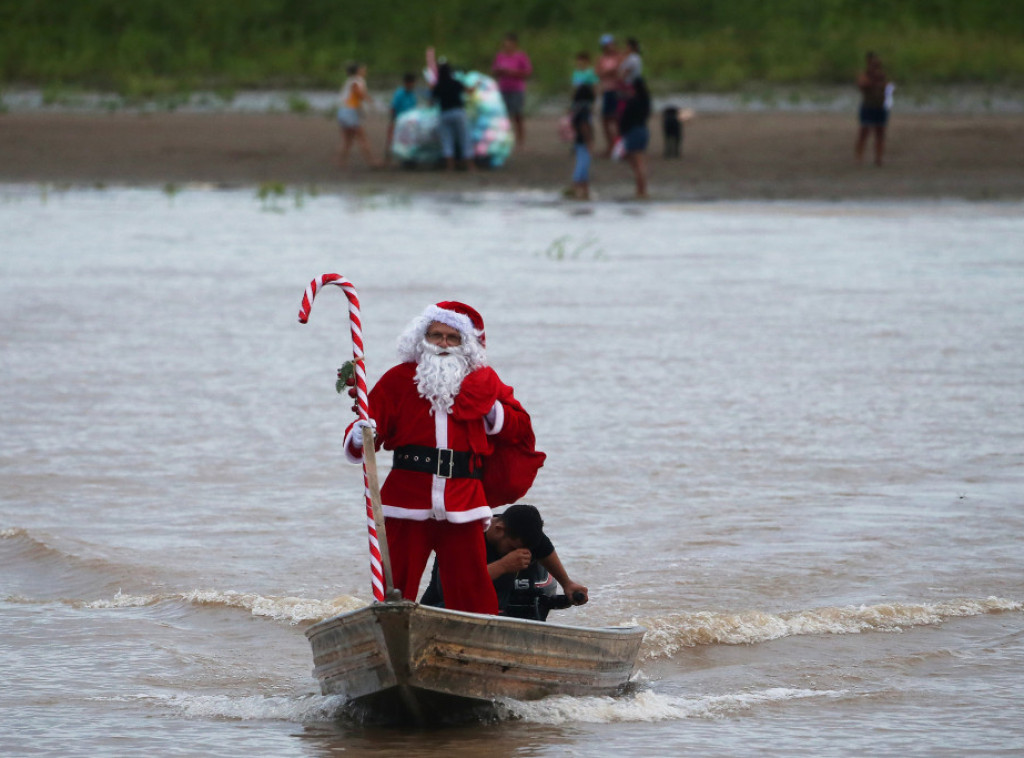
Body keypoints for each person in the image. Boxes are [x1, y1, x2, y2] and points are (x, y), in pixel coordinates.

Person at [344, 302, 545, 615]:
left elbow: (520, 429)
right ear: (421, 339)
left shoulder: (485, 382)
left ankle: (476, 639)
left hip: (462, 500)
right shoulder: (398, 380)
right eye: (436, 335)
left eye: (453, 337)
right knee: (394, 585)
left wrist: (491, 411)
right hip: (407, 498)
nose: (443, 343)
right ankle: (390, 635)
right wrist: (359, 434)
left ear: (466, 343)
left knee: (472, 589)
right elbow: (371, 434)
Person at [420, 503, 589, 613]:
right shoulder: (464, 536)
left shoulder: (521, 534)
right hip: (443, 608)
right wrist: (503, 565)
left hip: (492, 612)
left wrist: (567, 583)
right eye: (512, 548)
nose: (516, 553)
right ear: (499, 529)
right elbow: (455, 585)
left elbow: (545, 551)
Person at [335, 62, 381, 168]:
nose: (364, 71)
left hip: (343, 112)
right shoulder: (357, 81)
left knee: (348, 141)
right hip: (349, 113)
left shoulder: (349, 81)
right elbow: (359, 94)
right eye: (362, 69)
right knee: (362, 138)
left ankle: (341, 162)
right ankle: (372, 162)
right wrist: (371, 101)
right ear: (357, 71)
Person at [431, 62, 475, 171]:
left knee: (447, 140)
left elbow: (431, 101)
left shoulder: (438, 85)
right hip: (458, 112)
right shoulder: (456, 83)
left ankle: (450, 166)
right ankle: (469, 165)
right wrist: (476, 86)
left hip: (444, 114)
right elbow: (468, 91)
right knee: (464, 138)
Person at [492, 32, 533, 146]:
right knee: (504, 115)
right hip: (503, 88)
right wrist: (500, 71)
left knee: (518, 114)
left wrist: (512, 72)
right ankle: (505, 138)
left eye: (509, 44)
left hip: (517, 88)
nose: (507, 46)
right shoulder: (500, 56)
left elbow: (528, 72)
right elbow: (494, 70)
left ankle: (521, 139)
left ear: (514, 44)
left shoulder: (521, 56)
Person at [618, 76, 651, 198]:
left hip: (633, 132)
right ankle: (642, 189)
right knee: (639, 162)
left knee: (637, 163)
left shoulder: (633, 102)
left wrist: (622, 131)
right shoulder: (646, 100)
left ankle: (641, 190)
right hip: (643, 130)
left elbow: (625, 119)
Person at [855, 51, 890, 167]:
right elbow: (862, 85)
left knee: (880, 132)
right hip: (868, 107)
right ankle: (859, 157)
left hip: (880, 106)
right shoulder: (865, 74)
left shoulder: (882, 75)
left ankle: (878, 157)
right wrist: (874, 79)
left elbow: (889, 88)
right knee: (864, 132)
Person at [595, 34, 623, 156]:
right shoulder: (601, 58)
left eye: (611, 44)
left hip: (618, 90)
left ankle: (619, 146)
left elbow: (619, 72)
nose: (609, 47)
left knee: (617, 119)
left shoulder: (619, 57)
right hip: (607, 89)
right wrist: (609, 72)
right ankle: (610, 145)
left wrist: (608, 72)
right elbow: (598, 73)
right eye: (606, 45)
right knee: (605, 119)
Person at [385, 72, 419, 165]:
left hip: (409, 122)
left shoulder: (412, 94)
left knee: (408, 141)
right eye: (410, 83)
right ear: (406, 83)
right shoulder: (399, 93)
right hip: (399, 120)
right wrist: (393, 121)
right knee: (392, 140)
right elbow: (393, 108)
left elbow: (413, 109)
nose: (412, 85)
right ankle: (387, 161)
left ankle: (408, 159)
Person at [569, 84, 595, 200]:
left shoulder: (576, 107)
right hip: (583, 140)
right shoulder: (585, 108)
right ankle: (577, 186)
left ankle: (585, 189)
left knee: (582, 162)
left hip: (578, 139)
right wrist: (589, 140)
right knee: (583, 164)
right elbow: (584, 125)